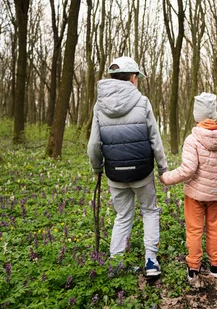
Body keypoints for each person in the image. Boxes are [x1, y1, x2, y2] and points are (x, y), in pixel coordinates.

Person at [87, 56, 168, 277]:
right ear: (133, 78)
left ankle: (116, 264)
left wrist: (97, 167)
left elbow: (94, 143)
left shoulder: (99, 106)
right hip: (142, 172)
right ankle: (151, 262)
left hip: (115, 173)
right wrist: (162, 168)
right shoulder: (142, 101)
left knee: (122, 216)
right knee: (150, 211)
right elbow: (155, 138)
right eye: (137, 77)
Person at [160, 92, 217, 281]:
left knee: (194, 230)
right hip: (216, 194)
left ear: (196, 115)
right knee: (214, 228)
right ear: (214, 113)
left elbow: (188, 170)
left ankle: (194, 267)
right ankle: (216, 264)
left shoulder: (192, 139)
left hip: (194, 195)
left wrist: (167, 177)